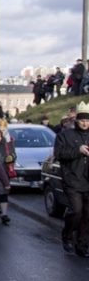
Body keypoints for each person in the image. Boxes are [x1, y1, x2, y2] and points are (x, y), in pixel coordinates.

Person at [53, 101, 89, 256]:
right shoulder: (65, 135)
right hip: (72, 180)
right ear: (76, 121)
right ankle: (67, 235)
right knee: (76, 211)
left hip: (88, 181)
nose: (85, 123)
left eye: (87, 120)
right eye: (82, 120)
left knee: (87, 216)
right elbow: (59, 154)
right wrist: (78, 150)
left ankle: (82, 245)